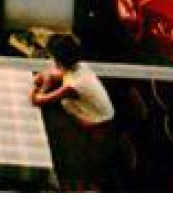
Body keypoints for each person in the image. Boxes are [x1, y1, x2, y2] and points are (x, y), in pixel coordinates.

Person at [30, 33, 117, 188]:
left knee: (50, 122)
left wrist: (38, 86)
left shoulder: (73, 86)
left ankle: (66, 175)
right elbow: (56, 75)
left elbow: (38, 100)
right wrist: (46, 78)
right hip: (99, 114)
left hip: (94, 122)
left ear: (58, 60)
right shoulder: (80, 67)